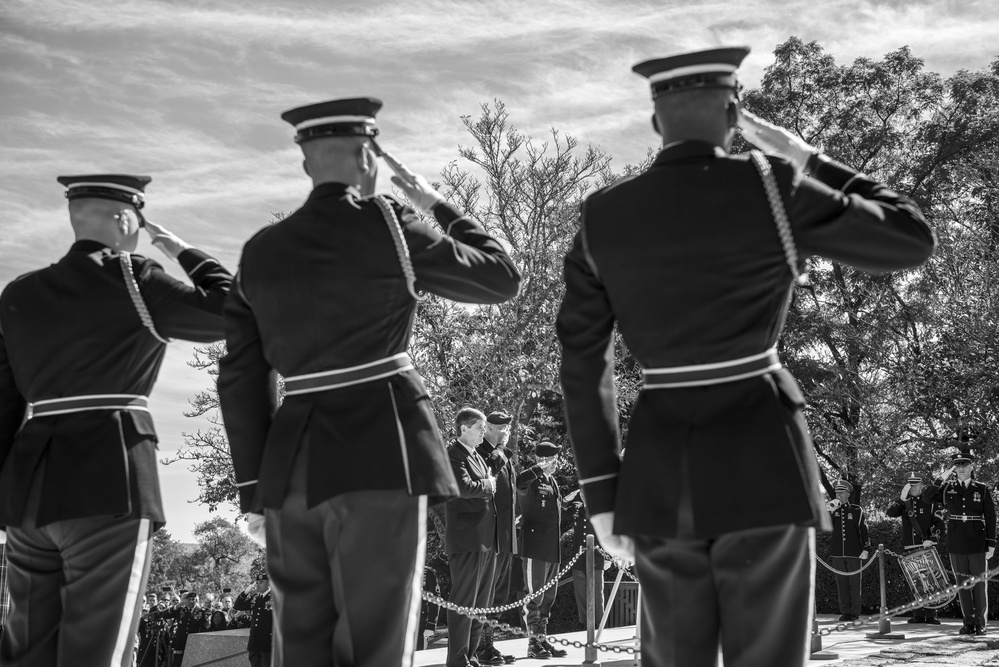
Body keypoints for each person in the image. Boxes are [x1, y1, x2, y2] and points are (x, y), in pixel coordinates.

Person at [556, 46, 935, 667]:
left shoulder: (603, 215)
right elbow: (908, 235)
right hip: (766, 455)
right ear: (735, 114)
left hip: (660, 468)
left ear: (656, 121)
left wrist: (602, 494)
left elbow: (581, 362)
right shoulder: (772, 183)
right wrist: (802, 154)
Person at [217, 98, 520, 667]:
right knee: (377, 637)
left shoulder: (261, 250)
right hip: (383, 446)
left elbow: (239, 377)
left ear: (306, 164)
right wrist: (431, 199)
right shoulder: (389, 223)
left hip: (291, 462)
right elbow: (500, 277)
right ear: (368, 157)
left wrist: (255, 490)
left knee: (300, 641)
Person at [0, 174, 233, 667]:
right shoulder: (134, 278)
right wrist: (186, 253)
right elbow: (234, 313)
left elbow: (3, 403)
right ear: (127, 218)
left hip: (26, 493)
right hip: (111, 479)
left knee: (25, 651)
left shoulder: (18, 294)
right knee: (97, 650)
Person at [444, 408, 498, 667]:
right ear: (464, 428)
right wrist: (489, 485)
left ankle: (471, 654)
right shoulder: (453, 455)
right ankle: (457, 660)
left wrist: (487, 484)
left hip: (485, 539)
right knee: (464, 602)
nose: (482, 434)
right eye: (479, 428)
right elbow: (463, 488)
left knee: (481, 604)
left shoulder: (477, 455)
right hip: (466, 540)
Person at [926, 451, 997, 635]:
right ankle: (968, 623)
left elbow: (990, 516)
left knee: (979, 585)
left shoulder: (981, 488)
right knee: (962, 584)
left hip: (977, 541)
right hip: (956, 541)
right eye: (957, 466)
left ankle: (980, 623)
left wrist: (991, 544)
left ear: (972, 467)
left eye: (965, 465)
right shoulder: (947, 487)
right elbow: (927, 497)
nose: (961, 469)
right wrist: (942, 477)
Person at [516, 441, 567, 659]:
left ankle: (542, 639)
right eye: (553, 458)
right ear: (543, 459)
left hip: (551, 546)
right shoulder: (531, 478)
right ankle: (532, 643)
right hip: (534, 545)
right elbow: (518, 482)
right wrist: (539, 468)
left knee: (548, 596)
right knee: (534, 594)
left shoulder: (552, 481)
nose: (557, 462)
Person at [476, 410, 519, 666]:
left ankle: (489, 644)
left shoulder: (503, 454)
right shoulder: (482, 452)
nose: (506, 433)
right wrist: (502, 449)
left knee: (499, 594)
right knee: (487, 592)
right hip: (489, 536)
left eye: (507, 428)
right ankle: (481, 646)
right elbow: (489, 470)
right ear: (489, 427)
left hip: (505, 534)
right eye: (502, 428)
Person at [886, 471, 945, 624]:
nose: (913, 487)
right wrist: (901, 498)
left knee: (930, 579)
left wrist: (933, 538)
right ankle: (917, 614)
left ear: (922, 485)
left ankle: (931, 615)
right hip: (909, 546)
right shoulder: (904, 502)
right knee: (914, 580)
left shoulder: (930, 502)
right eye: (910, 484)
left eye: (916, 484)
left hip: (925, 547)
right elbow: (890, 513)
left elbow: (939, 524)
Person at [826, 480, 870, 622]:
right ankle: (845, 612)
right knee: (842, 583)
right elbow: (826, 527)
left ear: (848, 494)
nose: (838, 495)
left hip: (854, 552)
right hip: (838, 552)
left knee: (854, 583)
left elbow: (864, 530)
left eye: (842, 492)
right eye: (837, 492)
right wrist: (830, 512)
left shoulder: (856, 510)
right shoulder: (833, 510)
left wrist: (866, 548)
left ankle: (854, 613)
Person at [568, 492, 607, 628]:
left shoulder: (600, 509)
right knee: (581, 592)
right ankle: (584, 623)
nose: (585, 495)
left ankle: (598, 624)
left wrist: (608, 556)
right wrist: (567, 498)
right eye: (582, 492)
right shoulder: (576, 507)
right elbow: (558, 510)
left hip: (596, 556)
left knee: (597, 592)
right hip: (578, 557)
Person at [161, 591, 209, 667]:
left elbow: (204, 628)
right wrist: (177, 606)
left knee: (191, 663)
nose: (191, 601)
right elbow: (165, 615)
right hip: (180, 641)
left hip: (193, 642)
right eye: (189, 599)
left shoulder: (201, 612)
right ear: (186, 600)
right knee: (178, 662)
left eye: (193, 599)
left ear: (196, 600)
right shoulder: (180, 610)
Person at [233, 575, 272, 667]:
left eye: (261, 582)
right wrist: (246, 591)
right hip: (254, 642)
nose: (258, 585)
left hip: (267, 642)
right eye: (257, 582)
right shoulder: (256, 598)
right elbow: (237, 606)